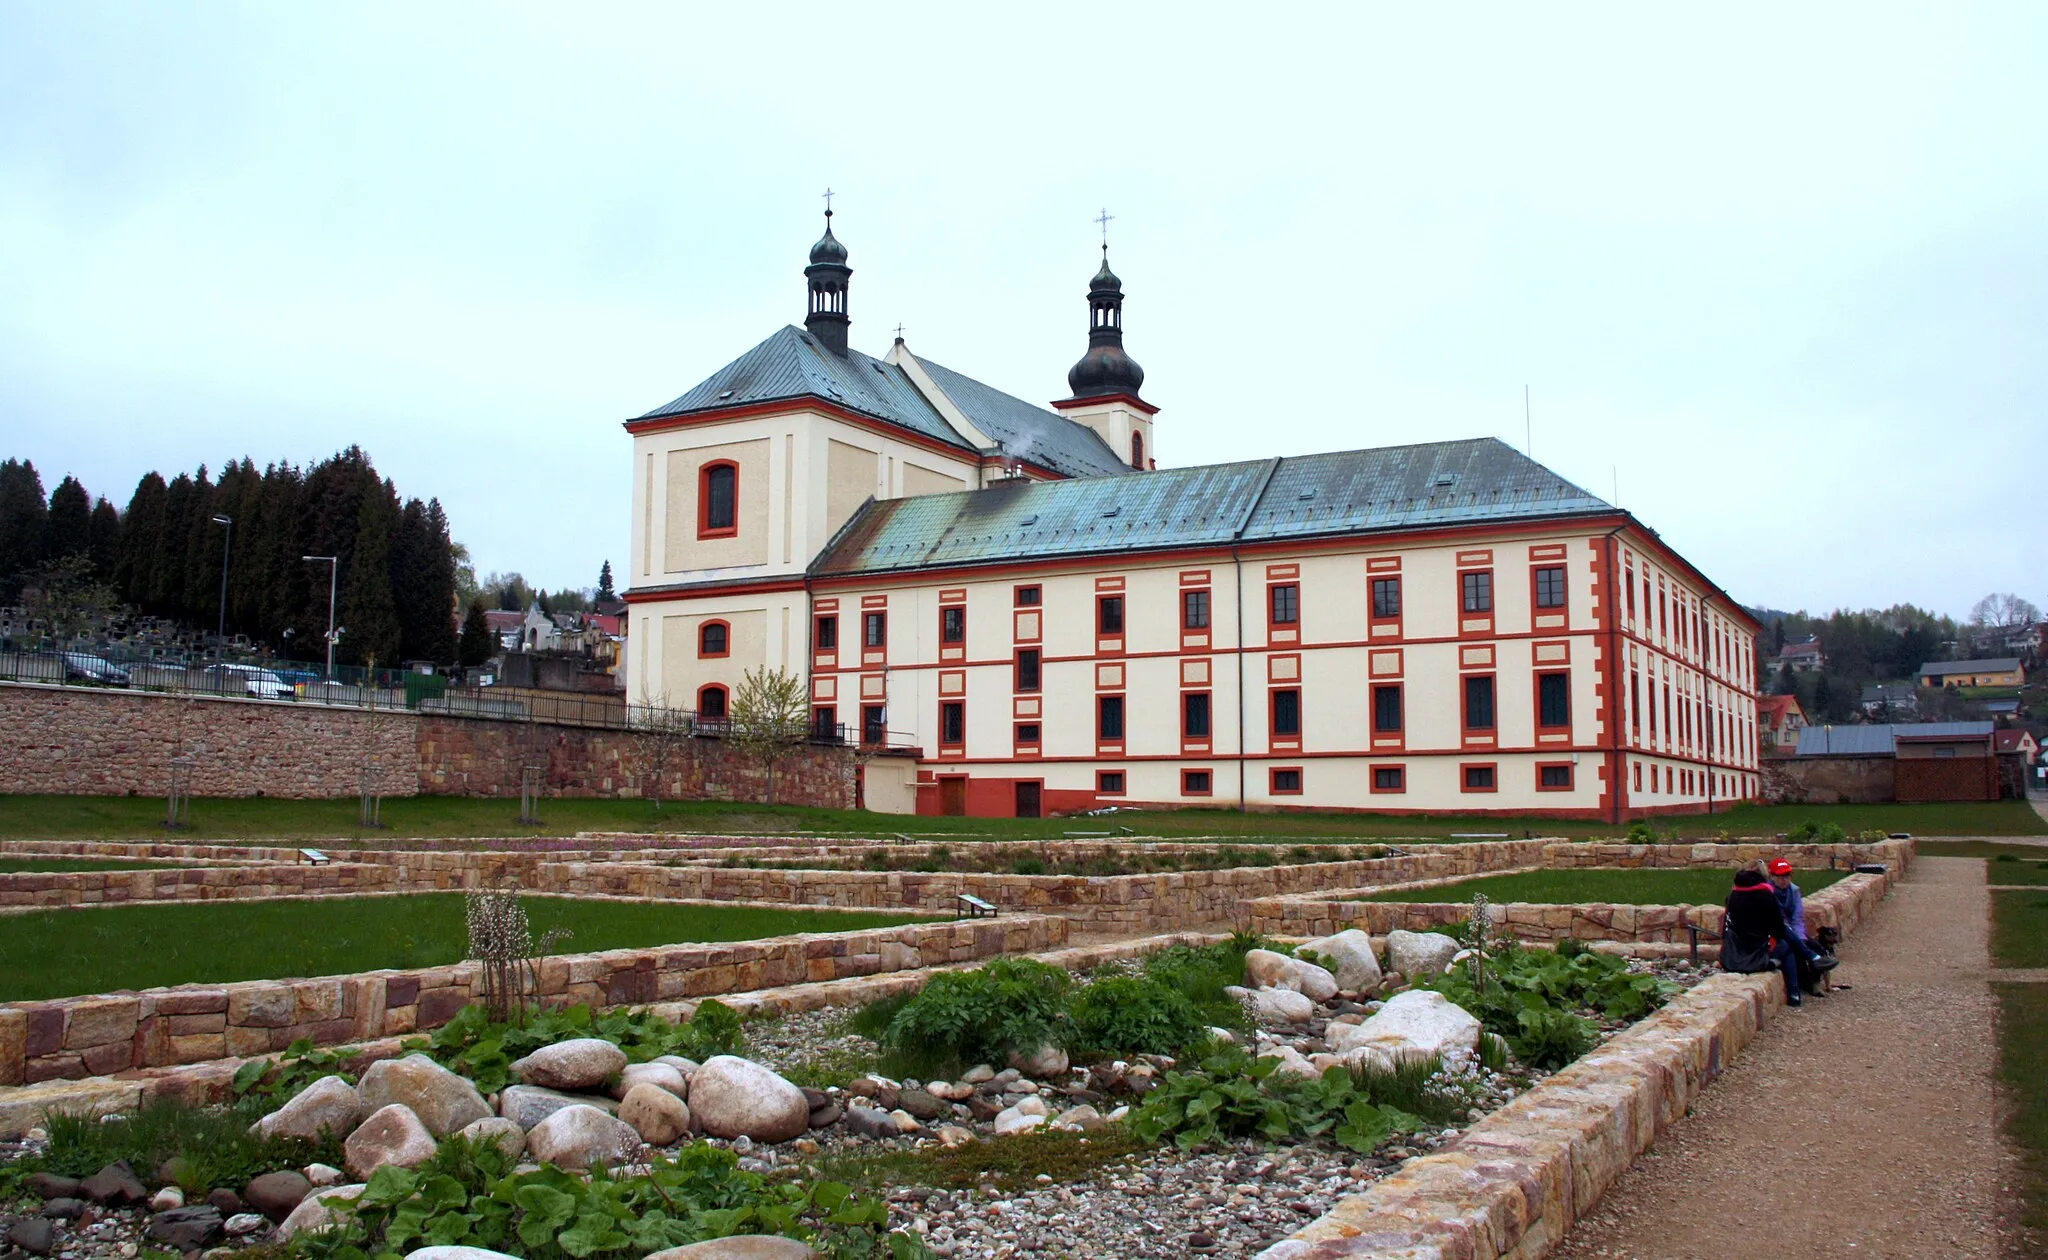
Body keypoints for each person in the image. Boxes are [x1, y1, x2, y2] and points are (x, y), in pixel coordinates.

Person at [1722, 863, 1803, 1006]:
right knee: (1787, 947)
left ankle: (1811, 959)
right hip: (1757, 955)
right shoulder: (1766, 896)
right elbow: (1778, 929)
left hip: (1732, 957)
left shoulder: (1733, 895)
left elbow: (1726, 928)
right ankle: (1794, 993)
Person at [1767, 858, 1840, 993]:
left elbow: (1797, 917)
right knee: (1796, 950)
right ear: (1772, 876)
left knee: (1817, 947)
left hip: (1793, 930)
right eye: (1781, 876)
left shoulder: (1794, 891)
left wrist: (1800, 937)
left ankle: (1816, 982)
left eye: (1787, 876)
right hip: (1777, 932)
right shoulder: (1767, 892)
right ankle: (1805, 985)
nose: (1785, 880)